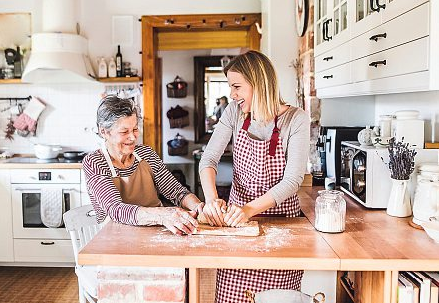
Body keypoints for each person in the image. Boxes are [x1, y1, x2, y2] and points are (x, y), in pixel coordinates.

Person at [199, 50, 310, 302]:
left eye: (237, 87)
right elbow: (208, 160)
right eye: (231, 87)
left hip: (281, 227)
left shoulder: (296, 119)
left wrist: (249, 209)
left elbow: (293, 181)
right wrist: (211, 199)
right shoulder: (233, 113)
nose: (233, 94)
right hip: (239, 228)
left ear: (258, 82)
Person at [83, 95, 204, 235]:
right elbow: (116, 209)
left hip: (156, 234)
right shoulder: (95, 162)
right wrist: (163, 215)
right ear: (104, 131)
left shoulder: (146, 154)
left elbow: (176, 191)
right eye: (124, 132)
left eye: (135, 129)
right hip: (114, 240)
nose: (133, 137)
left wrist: (198, 207)